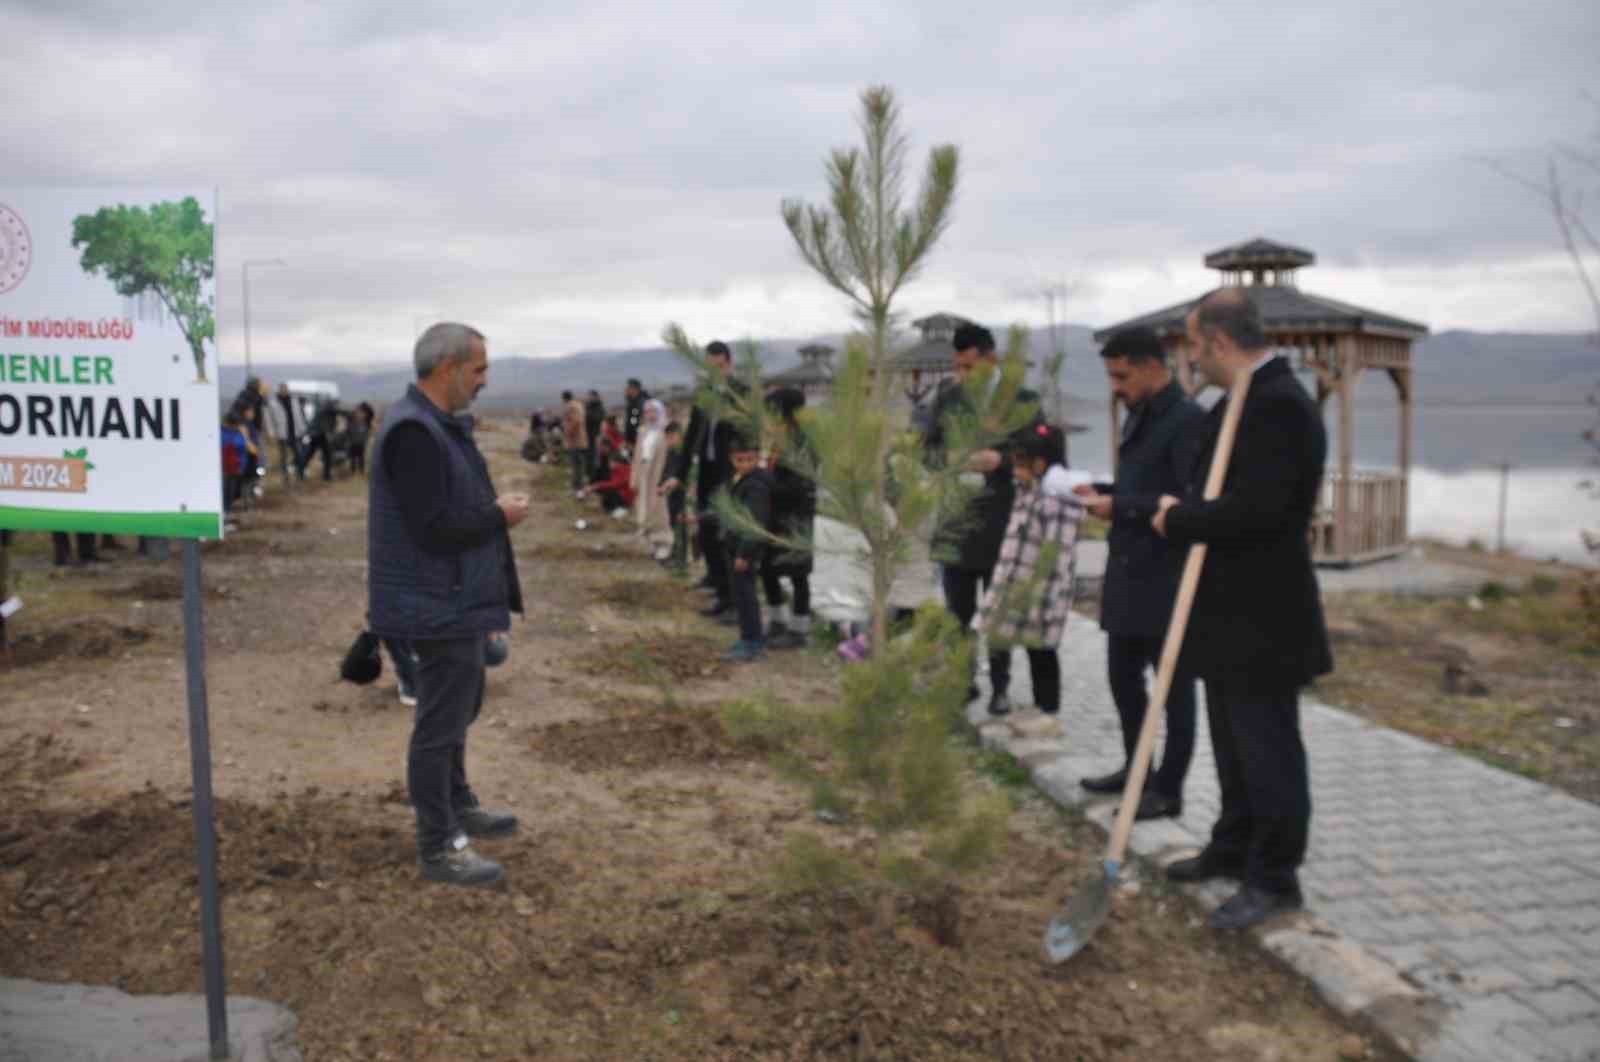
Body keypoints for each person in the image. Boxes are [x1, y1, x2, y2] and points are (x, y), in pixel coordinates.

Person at [1153, 289, 1333, 931]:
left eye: (1195, 347)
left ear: (1220, 343)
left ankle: (1275, 878)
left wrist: (1179, 521)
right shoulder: (1237, 402)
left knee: (1268, 750)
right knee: (1232, 747)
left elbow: (1260, 512)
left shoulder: (1280, 406)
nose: (1192, 361)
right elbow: (1215, 490)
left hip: (1264, 618)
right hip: (1225, 616)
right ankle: (1232, 847)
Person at [368, 321, 528, 889]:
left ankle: (458, 803)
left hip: (453, 600)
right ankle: (440, 844)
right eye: (479, 368)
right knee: (439, 725)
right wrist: (498, 515)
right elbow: (434, 528)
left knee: (458, 711)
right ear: (448, 368)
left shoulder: (436, 425)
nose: (485, 380)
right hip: (434, 604)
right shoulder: (414, 432)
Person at [1075, 326, 1205, 821]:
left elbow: (1189, 504)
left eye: (1122, 376)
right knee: (1122, 680)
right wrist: (1101, 490)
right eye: (1110, 376)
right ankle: (1136, 771)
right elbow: (1144, 484)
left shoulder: (1187, 420)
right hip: (1127, 574)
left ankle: (1168, 791)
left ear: (1154, 366)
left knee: (1175, 691)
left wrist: (1121, 505)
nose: (1115, 387)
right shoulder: (1140, 415)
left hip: (1167, 578)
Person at [922, 323, 1039, 715]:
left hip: (1003, 519)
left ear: (991, 360)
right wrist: (951, 461)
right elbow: (928, 451)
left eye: (970, 367)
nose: (964, 375)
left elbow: (1040, 454)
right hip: (956, 517)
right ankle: (962, 679)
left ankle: (1001, 688)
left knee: (999, 612)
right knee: (958, 613)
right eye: (959, 367)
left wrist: (1001, 461)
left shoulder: (1022, 399)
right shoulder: (948, 398)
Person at [975, 424, 1083, 716]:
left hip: (1040, 591)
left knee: (1042, 651)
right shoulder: (1026, 490)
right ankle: (1020, 701)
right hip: (1012, 584)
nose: (1012, 468)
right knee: (999, 637)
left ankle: (1047, 711)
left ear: (1040, 463)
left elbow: (1058, 555)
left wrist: (1044, 599)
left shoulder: (1059, 500)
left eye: (1019, 462)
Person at [660, 341, 747, 619]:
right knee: (708, 534)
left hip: (731, 473)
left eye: (719, 367)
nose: (715, 372)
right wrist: (678, 475)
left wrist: (743, 474)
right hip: (708, 472)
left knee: (727, 538)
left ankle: (735, 601)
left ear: (729, 364)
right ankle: (722, 595)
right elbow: (691, 440)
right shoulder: (704, 395)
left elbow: (749, 437)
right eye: (709, 367)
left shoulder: (741, 395)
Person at [761, 387, 816, 650]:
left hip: (795, 516)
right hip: (775, 513)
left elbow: (801, 483)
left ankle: (799, 629)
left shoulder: (804, 440)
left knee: (797, 574)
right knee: (768, 568)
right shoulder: (780, 436)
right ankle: (777, 621)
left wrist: (766, 481)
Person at [723, 430, 775, 662]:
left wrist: (744, 553)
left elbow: (755, 523)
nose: (744, 464)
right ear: (732, 459)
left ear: (757, 458)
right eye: (739, 460)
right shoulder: (741, 480)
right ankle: (749, 636)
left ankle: (752, 642)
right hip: (736, 547)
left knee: (746, 595)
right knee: (741, 594)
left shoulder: (756, 486)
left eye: (749, 460)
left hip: (746, 550)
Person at [631, 399, 672, 553]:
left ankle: (662, 540)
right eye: (647, 411)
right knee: (642, 504)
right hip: (643, 474)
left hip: (658, 475)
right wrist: (633, 478)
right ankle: (644, 532)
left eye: (653, 411)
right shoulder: (643, 431)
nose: (650, 415)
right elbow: (637, 456)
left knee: (658, 507)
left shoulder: (665, 432)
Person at [580, 435, 634, 517]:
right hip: (616, 486)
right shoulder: (605, 457)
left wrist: (595, 486)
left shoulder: (618, 458)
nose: (598, 449)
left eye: (599, 446)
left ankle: (622, 507)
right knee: (599, 479)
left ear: (606, 446)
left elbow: (617, 483)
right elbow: (599, 472)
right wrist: (590, 485)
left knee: (608, 491)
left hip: (625, 493)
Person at [661, 422, 690, 572]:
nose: (669, 440)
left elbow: (682, 474)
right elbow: (667, 470)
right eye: (667, 437)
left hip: (682, 495)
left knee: (681, 527)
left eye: (672, 437)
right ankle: (675, 554)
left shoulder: (684, 453)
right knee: (672, 524)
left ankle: (681, 559)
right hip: (672, 495)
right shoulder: (671, 451)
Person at [275, 383, 306, 482]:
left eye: (285, 389)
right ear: (279, 390)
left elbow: (299, 415)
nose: (284, 390)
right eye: (282, 389)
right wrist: (272, 432)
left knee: (299, 454)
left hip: (295, 432)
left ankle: (300, 473)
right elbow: (270, 418)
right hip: (282, 433)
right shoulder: (274, 402)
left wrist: (302, 428)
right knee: (283, 457)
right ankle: (285, 477)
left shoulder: (294, 400)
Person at [561, 390, 589, 495]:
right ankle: (577, 485)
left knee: (577, 464)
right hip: (580, 439)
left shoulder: (571, 407)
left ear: (564, 398)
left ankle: (578, 487)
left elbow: (575, 421)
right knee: (578, 464)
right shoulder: (579, 405)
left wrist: (568, 432)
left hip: (575, 440)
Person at [623, 378, 650, 450]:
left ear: (635, 389)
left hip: (638, 440)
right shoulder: (633, 401)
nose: (626, 390)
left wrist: (632, 441)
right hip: (635, 439)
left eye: (629, 388)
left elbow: (636, 422)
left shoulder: (640, 403)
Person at [348, 402, 374, 475]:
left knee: (360, 456)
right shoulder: (353, 418)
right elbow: (349, 429)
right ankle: (354, 470)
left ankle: (359, 470)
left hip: (360, 440)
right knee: (354, 456)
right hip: (355, 439)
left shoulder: (366, 421)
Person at [584, 389, 605, 468]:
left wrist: (588, 415)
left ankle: (595, 469)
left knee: (594, 452)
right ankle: (589, 468)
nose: (590, 398)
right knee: (588, 452)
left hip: (595, 433)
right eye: (589, 396)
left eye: (591, 396)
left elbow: (598, 418)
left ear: (596, 397)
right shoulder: (588, 406)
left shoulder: (599, 407)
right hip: (587, 433)